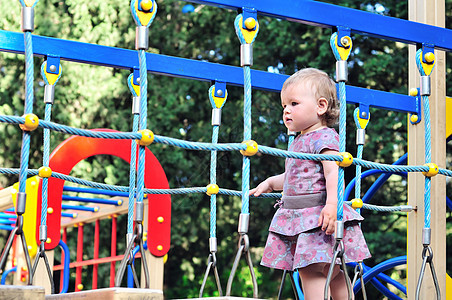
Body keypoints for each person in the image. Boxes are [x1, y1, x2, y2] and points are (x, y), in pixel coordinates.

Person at [250, 68, 371, 299]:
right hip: (308, 221)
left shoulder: (323, 136)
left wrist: (333, 205)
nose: (286, 110)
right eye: (284, 105)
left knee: (311, 271)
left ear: (321, 106)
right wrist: (270, 182)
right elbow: (294, 176)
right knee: (336, 277)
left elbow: (332, 171)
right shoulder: (297, 142)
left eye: (294, 103)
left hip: (316, 220)